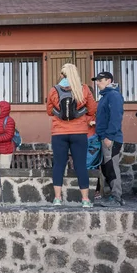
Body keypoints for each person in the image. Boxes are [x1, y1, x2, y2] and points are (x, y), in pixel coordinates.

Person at [46, 63, 97, 208]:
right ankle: (85, 200)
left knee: (59, 165)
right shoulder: (84, 89)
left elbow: (49, 111)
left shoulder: (54, 90)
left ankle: (57, 198)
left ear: (62, 75)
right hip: (79, 132)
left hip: (59, 132)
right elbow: (92, 109)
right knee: (81, 165)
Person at [92, 71, 125, 207]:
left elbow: (116, 117)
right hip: (104, 137)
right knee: (106, 168)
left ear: (108, 81)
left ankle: (117, 198)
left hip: (110, 138)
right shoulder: (106, 97)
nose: (97, 83)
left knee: (111, 167)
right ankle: (113, 196)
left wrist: (109, 136)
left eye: (100, 80)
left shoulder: (113, 96)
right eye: (97, 80)